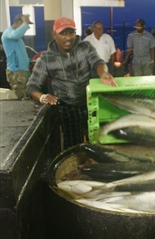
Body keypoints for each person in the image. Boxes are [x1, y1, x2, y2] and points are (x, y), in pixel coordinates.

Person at [26, 16, 117, 150]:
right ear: (54, 35)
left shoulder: (85, 47)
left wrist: (103, 73)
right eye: (63, 33)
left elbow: (98, 62)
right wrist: (42, 96)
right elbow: (31, 86)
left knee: (99, 141)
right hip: (67, 108)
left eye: (71, 33)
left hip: (90, 103)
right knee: (73, 146)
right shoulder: (46, 59)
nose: (68, 37)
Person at [1, 14, 33, 98]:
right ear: (19, 22)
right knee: (20, 97)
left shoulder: (17, 38)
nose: (24, 30)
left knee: (24, 96)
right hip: (16, 71)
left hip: (21, 70)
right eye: (23, 25)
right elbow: (16, 34)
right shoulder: (8, 32)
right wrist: (25, 24)